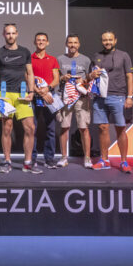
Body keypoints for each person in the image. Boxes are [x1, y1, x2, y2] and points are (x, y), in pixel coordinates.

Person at [0, 23, 40, 174]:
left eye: (13, 33)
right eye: (8, 33)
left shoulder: (25, 52)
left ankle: (28, 163)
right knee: (7, 128)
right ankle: (7, 162)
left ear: (17, 34)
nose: (10, 36)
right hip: (5, 95)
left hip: (22, 94)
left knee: (30, 128)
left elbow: (30, 73)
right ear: (4, 35)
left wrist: (31, 91)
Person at [89, 30, 133, 173]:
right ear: (101, 41)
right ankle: (104, 160)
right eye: (104, 40)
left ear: (115, 40)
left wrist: (130, 97)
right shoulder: (96, 56)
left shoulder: (124, 55)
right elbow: (90, 76)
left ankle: (124, 161)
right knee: (103, 128)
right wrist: (91, 75)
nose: (107, 42)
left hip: (118, 96)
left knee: (120, 129)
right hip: (99, 98)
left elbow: (130, 77)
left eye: (110, 40)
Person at [56, 34, 92, 168]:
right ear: (66, 44)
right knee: (64, 127)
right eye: (70, 42)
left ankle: (87, 158)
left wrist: (83, 81)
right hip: (66, 98)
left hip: (81, 99)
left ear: (79, 44)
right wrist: (63, 78)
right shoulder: (60, 59)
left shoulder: (86, 60)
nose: (72, 45)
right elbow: (55, 78)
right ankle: (63, 157)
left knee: (83, 128)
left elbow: (90, 79)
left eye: (75, 42)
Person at [30, 32, 60, 169]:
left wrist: (47, 89)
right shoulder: (29, 58)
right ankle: (32, 159)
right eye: (38, 40)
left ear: (47, 43)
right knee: (32, 129)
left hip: (49, 96)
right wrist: (38, 91)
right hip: (34, 97)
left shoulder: (52, 59)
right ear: (35, 42)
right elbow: (28, 78)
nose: (41, 42)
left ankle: (49, 159)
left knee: (51, 129)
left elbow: (56, 79)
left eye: (43, 40)